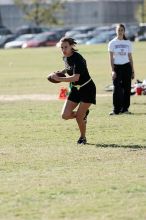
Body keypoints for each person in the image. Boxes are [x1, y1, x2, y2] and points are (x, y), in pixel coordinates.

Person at [52, 37, 96, 144]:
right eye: (62, 47)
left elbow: (76, 77)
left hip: (87, 88)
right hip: (75, 89)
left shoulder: (78, 58)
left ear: (72, 46)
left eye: (66, 47)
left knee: (79, 117)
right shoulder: (65, 57)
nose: (63, 50)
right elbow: (68, 68)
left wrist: (59, 79)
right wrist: (60, 72)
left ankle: (82, 138)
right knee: (65, 115)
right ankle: (83, 114)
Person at [108, 23, 135, 115]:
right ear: (116, 31)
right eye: (118, 30)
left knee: (127, 88)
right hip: (117, 67)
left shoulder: (128, 43)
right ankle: (116, 110)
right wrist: (112, 70)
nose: (120, 32)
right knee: (117, 88)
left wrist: (132, 70)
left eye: (122, 30)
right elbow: (111, 58)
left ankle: (125, 109)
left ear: (124, 31)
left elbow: (130, 57)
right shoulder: (112, 43)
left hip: (127, 67)